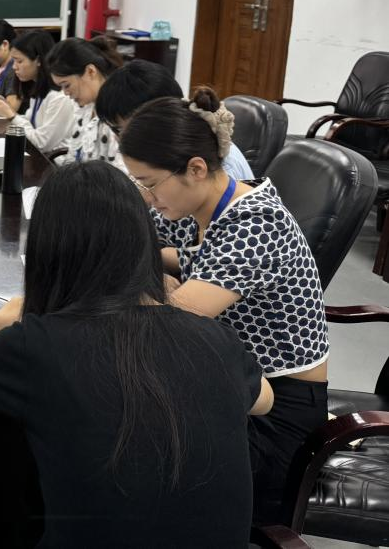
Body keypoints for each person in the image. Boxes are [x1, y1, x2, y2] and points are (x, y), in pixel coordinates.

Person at [0, 160, 272, 547]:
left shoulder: (40, 343)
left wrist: (0, 318)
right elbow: (264, 399)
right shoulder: (214, 337)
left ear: (50, 250)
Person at [119, 88, 327, 524]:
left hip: (277, 416)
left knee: (123, 452)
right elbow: (143, 238)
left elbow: (171, 322)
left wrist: (146, 281)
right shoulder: (201, 206)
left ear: (195, 168)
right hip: (232, 385)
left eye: (150, 184)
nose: (148, 197)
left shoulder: (256, 224)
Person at [95, 59, 254, 181]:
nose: (119, 139)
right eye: (115, 129)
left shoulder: (215, 169)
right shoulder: (175, 150)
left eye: (123, 131)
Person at [0, 29, 76, 154]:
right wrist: (5, 109)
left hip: (53, 162)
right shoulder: (37, 88)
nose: (14, 67)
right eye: (13, 61)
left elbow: (41, 144)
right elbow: (30, 123)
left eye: (19, 61)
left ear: (39, 61)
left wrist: (11, 115)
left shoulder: (59, 97)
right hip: (36, 155)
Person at [45, 36, 124, 167]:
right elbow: (74, 155)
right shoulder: (85, 108)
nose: (65, 93)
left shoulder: (120, 114)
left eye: (66, 85)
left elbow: (122, 174)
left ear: (90, 71)